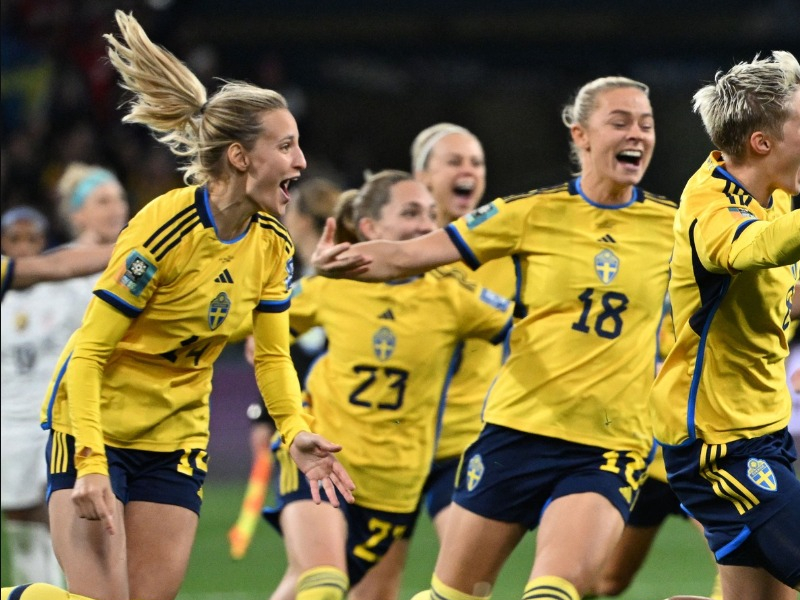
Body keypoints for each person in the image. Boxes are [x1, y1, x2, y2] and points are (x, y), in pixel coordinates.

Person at [1, 10, 354, 600]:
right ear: (239, 157)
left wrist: (294, 430)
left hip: (175, 438)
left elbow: (271, 355)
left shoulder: (272, 243)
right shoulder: (163, 229)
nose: (301, 162)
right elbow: (89, 353)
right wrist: (90, 460)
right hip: (97, 425)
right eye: (286, 146)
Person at [313, 75, 677, 600]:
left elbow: (754, 275)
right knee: (453, 595)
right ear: (580, 135)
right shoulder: (529, 213)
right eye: (619, 122)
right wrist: (340, 262)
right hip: (516, 432)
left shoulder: (674, 226)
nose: (636, 134)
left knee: (554, 592)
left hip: (609, 443)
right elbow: (410, 255)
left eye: (646, 124)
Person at [265, 170, 514, 600]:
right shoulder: (332, 284)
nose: (426, 225)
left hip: (394, 486)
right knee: (323, 585)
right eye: (411, 213)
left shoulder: (455, 296)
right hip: (321, 457)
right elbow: (259, 324)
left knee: (329, 587)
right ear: (369, 227)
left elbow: (526, 332)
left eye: (431, 215)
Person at [650, 50, 800, 600]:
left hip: (763, 430)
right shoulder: (710, 207)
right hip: (718, 444)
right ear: (762, 142)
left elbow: (782, 296)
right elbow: (753, 249)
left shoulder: (774, 194)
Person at [353, 124, 517, 600]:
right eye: (455, 161)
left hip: (463, 445)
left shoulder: (506, 249)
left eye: (477, 162)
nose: (469, 171)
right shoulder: (387, 254)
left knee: (467, 586)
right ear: (421, 176)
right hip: (387, 447)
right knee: (373, 592)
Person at [1, 206, 64, 587]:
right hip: (8, 423)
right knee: (20, 518)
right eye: (14, 239)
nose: (23, 248)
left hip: (54, 419)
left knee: (56, 504)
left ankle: (60, 589)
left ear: (44, 243)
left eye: (32, 239)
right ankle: (31, 588)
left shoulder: (62, 290)